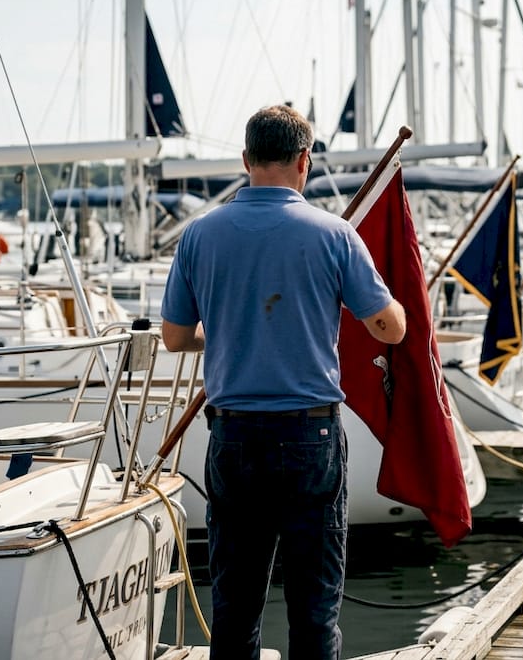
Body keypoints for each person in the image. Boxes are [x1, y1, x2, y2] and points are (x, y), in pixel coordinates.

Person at [160, 105, 407, 659]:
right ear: (305, 161)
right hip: (310, 439)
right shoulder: (334, 235)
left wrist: (221, 336)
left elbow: (175, 338)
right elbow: (388, 329)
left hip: (233, 438)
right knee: (315, 611)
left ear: (246, 160)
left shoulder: (200, 235)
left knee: (235, 608)